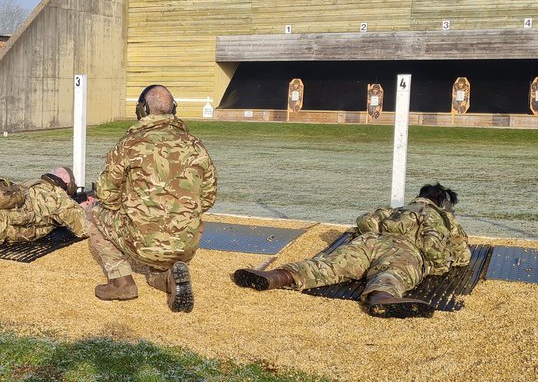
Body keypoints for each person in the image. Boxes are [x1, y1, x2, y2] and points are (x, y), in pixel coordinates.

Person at [232, 183, 470, 318]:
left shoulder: (398, 209)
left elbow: (365, 221)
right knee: (392, 273)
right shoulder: (442, 218)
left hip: (370, 241)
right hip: (405, 251)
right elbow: (453, 255)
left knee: (329, 265)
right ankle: (381, 297)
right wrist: (440, 262)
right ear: (444, 205)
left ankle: (276, 276)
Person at [85, 85, 217, 313]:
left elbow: (105, 194)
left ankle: (121, 283)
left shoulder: (129, 145)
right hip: (185, 245)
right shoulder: (196, 146)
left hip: (142, 241)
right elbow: (208, 197)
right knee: (164, 239)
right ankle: (165, 277)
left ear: (142, 110)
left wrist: (128, 209)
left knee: (94, 213)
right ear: (174, 109)